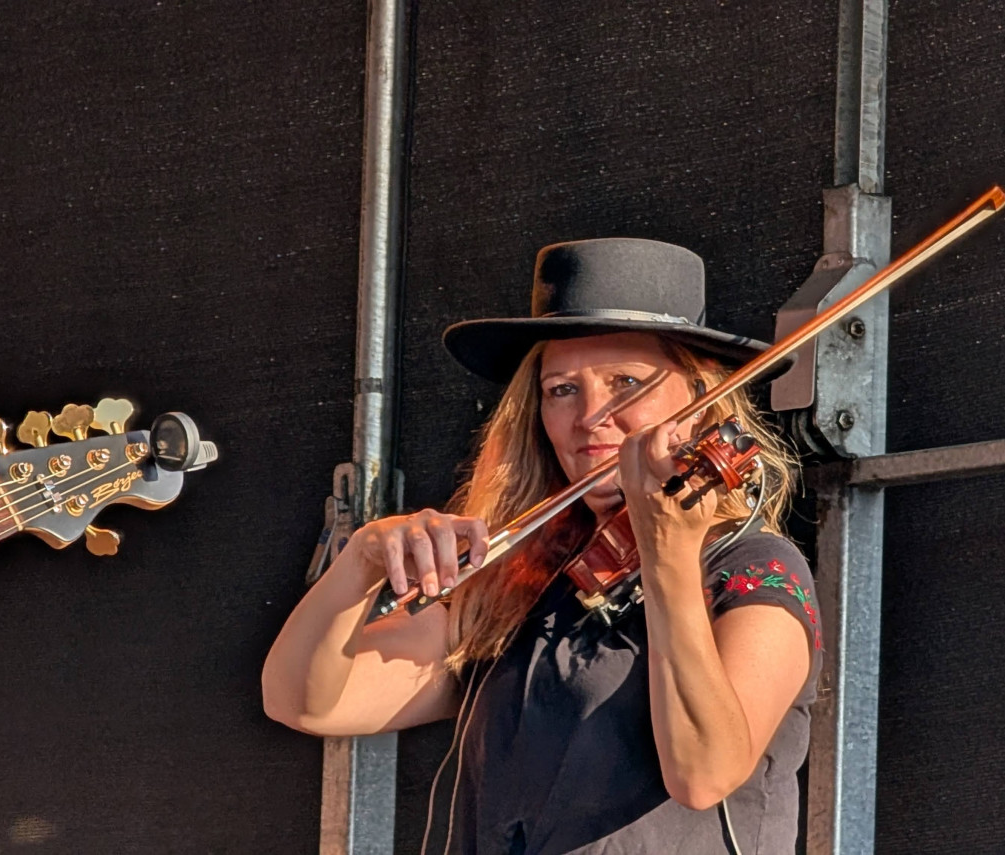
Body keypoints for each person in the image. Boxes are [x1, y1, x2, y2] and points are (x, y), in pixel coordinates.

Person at [262, 238, 822, 854]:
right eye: (562, 390)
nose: (591, 416)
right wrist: (360, 562)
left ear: (700, 400)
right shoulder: (525, 582)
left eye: (626, 382)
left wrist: (666, 554)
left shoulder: (756, 569)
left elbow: (704, 773)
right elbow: (303, 702)